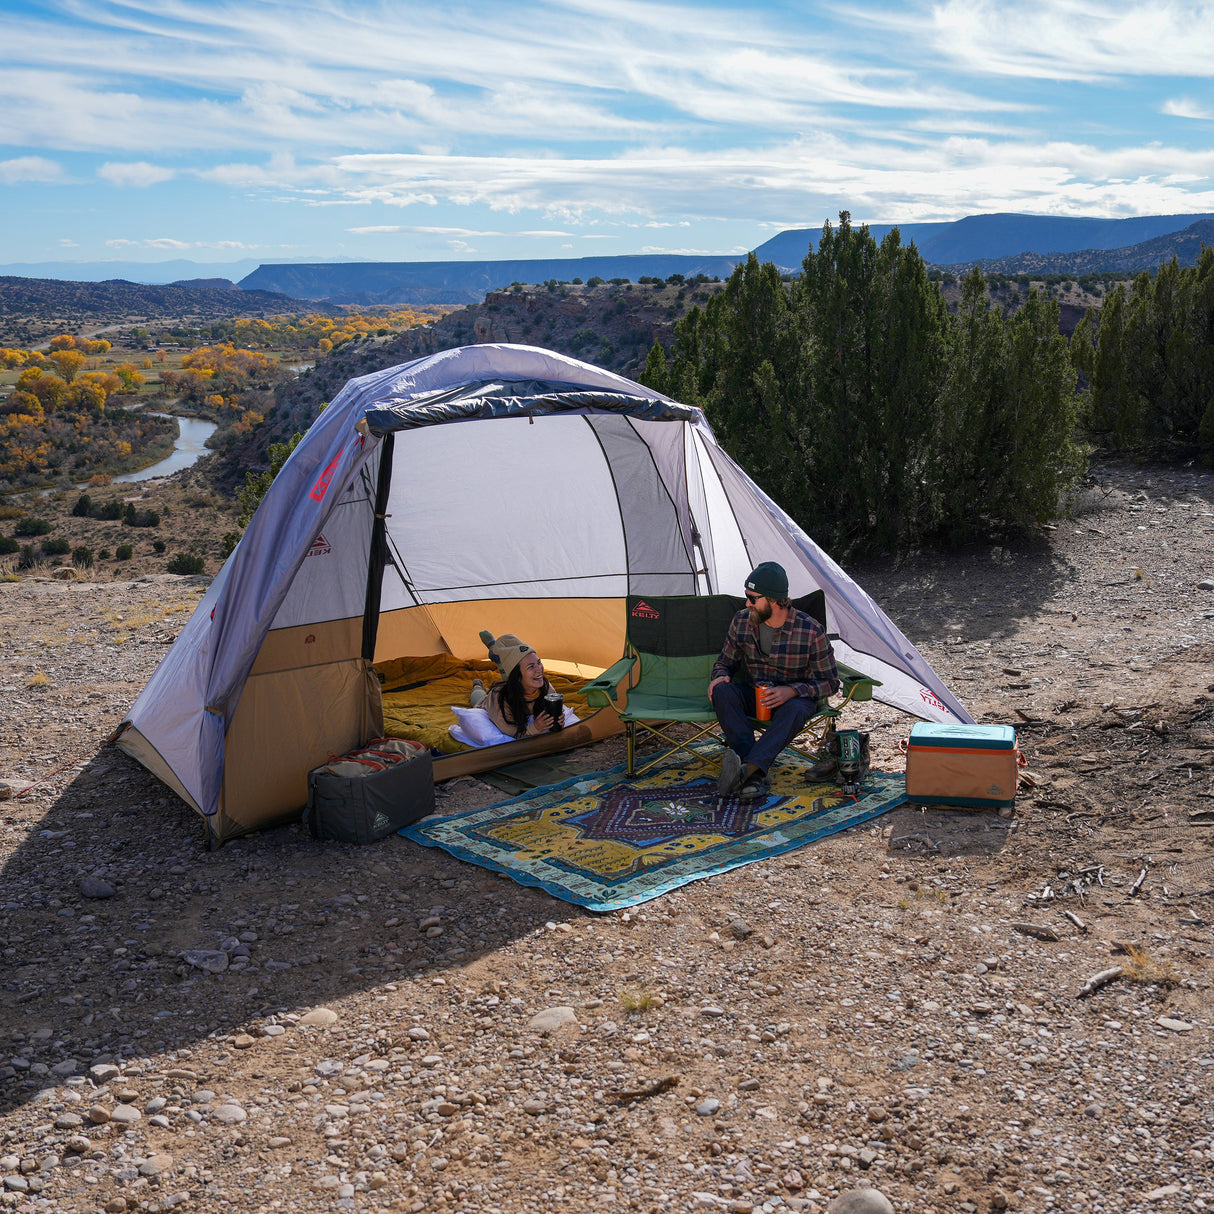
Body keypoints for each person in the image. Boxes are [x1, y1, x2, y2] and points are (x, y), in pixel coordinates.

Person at [708, 562, 839, 799]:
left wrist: (792, 691)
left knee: (798, 708)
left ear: (774, 600)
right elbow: (724, 663)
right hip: (753, 694)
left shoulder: (810, 631)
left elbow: (830, 683)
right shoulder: (742, 621)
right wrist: (720, 676)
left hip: (791, 701)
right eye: (746, 596)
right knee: (723, 692)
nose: (747, 603)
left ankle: (747, 770)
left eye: (752, 598)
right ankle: (754, 770)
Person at [470, 631, 564, 739]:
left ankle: (500, 662)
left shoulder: (546, 688)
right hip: (491, 701)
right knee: (480, 699)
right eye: (531, 666)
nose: (539, 670)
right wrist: (535, 728)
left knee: (516, 682)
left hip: (516, 684)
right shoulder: (499, 698)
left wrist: (558, 720)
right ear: (517, 675)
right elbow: (510, 731)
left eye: (539, 662)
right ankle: (477, 685)